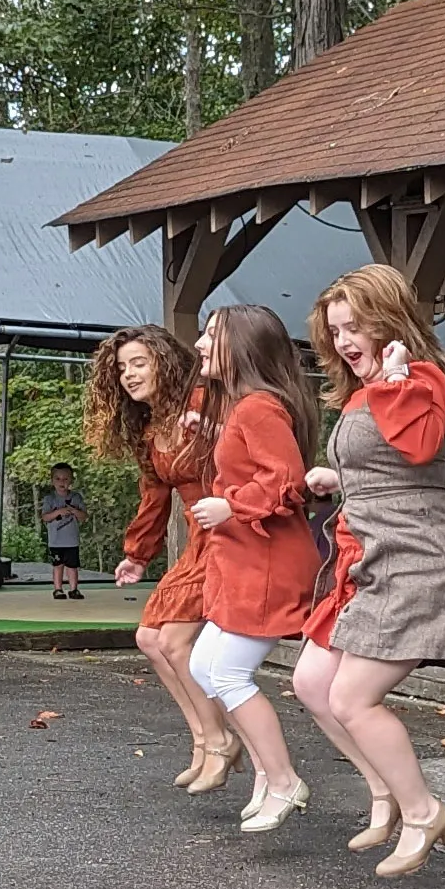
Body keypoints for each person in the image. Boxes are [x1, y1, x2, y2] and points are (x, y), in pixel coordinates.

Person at [293, 266, 445, 878]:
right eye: (337, 331)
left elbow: (421, 448)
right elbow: (389, 466)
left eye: (357, 326)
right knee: (313, 684)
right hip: (375, 556)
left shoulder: (421, 377)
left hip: (421, 558)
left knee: (352, 696)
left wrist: (398, 379)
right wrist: (337, 479)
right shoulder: (362, 388)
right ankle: (385, 793)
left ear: (390, 320)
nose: (346, 340)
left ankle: (424, 811)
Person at [185, 304, 323, 833]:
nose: (200, 342)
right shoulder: (247, 406)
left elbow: (288, 477)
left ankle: (284, 780)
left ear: (241, 345)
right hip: (244, 561)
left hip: (267, 563)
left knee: (227, 673)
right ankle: (266, 775)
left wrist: (232, 505)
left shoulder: (258, 407)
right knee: (203, 666)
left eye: (212, 334)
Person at [84, 324, 237, 793]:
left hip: (231, 533)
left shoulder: (203, 408)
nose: (128, 375)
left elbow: (240, 461)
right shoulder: (151, 430)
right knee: (150, 638)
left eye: (139, 363)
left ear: (165, 363)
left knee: (174, 641)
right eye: (122, 367)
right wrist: (137, 555)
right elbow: (155, 496)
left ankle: (221, 741)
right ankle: (201, 738)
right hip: (197, 540)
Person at [39, 463, 88, 600]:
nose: (62, 482)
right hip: (56, 541)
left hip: (71, 540)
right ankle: (58, 589)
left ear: (71, 480)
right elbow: (45, 517)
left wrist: (74, 511)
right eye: (58, 479)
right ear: (52, 481)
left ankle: (74, 589)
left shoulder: (76, 497)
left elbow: (84, 517)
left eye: (66, 479)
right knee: (58, 565)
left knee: (72, 566)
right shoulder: (50, 499)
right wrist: (58, 512)